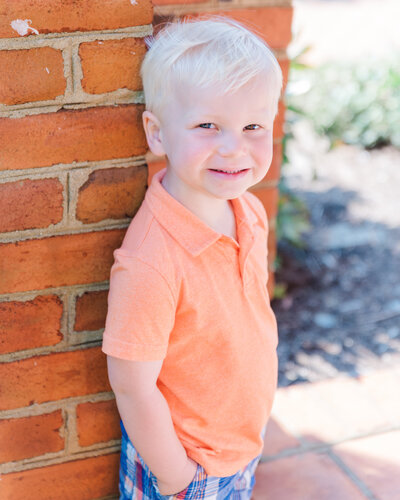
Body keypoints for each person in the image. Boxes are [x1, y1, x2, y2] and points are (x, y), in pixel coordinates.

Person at [102, 15, 282, 499]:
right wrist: (176, 474)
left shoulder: (246, 210)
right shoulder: (153, 259)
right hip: (188, 466)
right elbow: (132, 384)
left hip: (237, 445)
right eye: (208, 125)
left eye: (252, 126)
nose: (233, 147)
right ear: (157, 134)